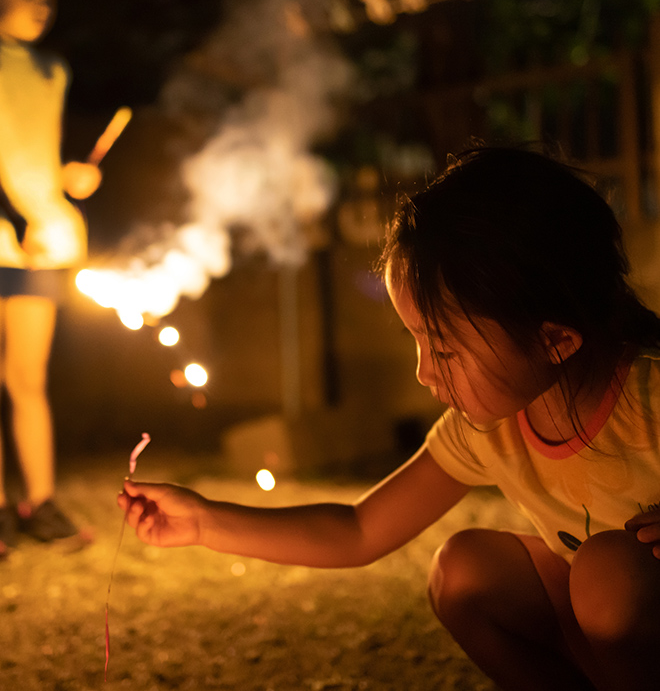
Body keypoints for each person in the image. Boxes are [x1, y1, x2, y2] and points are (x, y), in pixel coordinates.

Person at [119, 147, 660, 691]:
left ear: (555, 340)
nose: (425, 373)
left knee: (608, 571)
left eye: (445, 351)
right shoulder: (489, 427)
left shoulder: (651, 398)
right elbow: (359, 531)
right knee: (464, 569)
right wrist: (204, 522)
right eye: (417, 341)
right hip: (612, 649)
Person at [0, 0, 101, 555]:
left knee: (28, 379)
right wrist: (13, 217)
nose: (41, 4)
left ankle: (40, 503)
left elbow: (34, 154)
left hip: (42, 244)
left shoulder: (51, 70)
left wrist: (69, 177)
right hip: (6, 236)